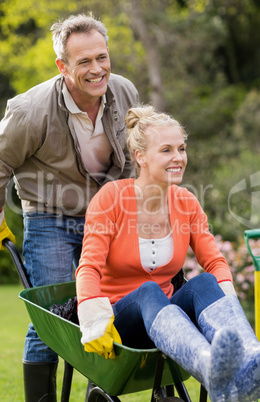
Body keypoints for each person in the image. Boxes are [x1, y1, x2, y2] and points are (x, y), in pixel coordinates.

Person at [76, 105, 260, 402]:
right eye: (166, 150)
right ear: (140, 157)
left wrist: (227, 306)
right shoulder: (112, 199)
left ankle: (248, 356)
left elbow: (215, 261)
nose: (178, 157)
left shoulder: (186, 202)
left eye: (181, 148)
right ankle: (208, 364)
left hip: (167, 323)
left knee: (204, 282)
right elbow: (89, 267)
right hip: (120, 323)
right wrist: (92, 318)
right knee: (148, 289)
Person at [0, 13, 139, 401]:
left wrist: (126, 206)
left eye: (102, 57)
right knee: (53, 316)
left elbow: (132, 155)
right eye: (84, 62)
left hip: (105, 215)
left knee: (105, 306)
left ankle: (100, 391)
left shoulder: (124, 92)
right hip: (49, 215)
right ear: (63, 66)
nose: (97, 69)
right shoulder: (30, 109)